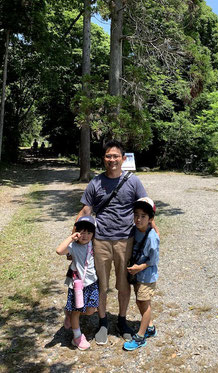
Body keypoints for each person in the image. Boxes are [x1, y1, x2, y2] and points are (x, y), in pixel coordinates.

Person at [76, 140, 154, 345]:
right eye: (108, 156)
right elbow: (86, 211)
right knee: (101, 285)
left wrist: (154, 232)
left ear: (123, 158)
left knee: (123, 285)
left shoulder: (134, 182)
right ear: (104, 158)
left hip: (125, 241)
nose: (112, 160)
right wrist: (73, 238)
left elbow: (145, 207)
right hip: (100, 241)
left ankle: (122, 320)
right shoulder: (95, 183)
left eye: (116, 156)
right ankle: (103, 322)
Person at [56, 216, 99, 350]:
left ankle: (69, 313)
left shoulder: (94, 244)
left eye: (89, 232)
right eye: (82, 232)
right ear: (77, 233)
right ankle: (77, 337)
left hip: (92, 284)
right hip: (78, 286)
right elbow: (59, 251)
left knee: (90, 310)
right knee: (76, 311)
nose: (85, 236)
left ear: (93, 234)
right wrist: (71, 237)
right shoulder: (73, 246)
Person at [124, 197, 159, 351]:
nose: (138, 219)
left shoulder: (152, 237)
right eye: (136, 215)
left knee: (144, 305)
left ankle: (140, 337)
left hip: (146, 276)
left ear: (150, 218)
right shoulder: (135, 231)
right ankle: (150, 327)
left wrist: (139, 267)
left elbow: (153, 260)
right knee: (140, 302)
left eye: (143, 216)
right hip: (138, 275)